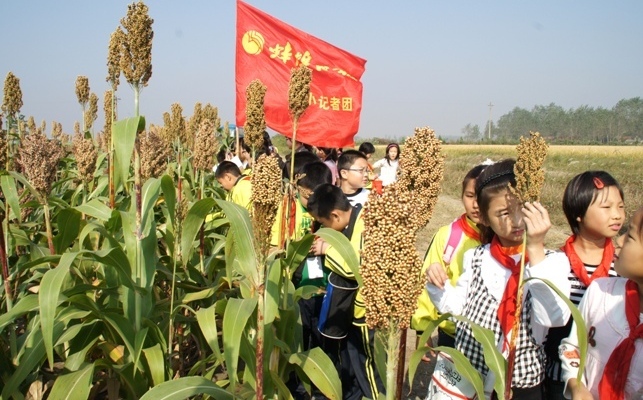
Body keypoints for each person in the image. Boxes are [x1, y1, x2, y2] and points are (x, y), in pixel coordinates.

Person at [426, 159, 571, 399]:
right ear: (484, 218)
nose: (517, 220)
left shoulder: (551, 262)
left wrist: (535, 247)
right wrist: (437, 284)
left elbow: (554, 317)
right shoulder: (476, 257)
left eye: (522, 208)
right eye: (504, 213)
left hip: (521, 385)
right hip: (471, 376)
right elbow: (457, 310)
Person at [543, 171, 625, 399]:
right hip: (559, 380)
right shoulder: (555, 264)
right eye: (606, 207)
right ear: (578, 213)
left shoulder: (623, 267)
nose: (617, 215)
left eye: (621, 206)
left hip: (609, 381)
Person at [308, 184, 384, 400]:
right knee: (355, 364)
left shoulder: (366, 224)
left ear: (335, 215)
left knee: (369, 368)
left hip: (367, 313)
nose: (324, 229)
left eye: (324, 224)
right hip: (356, 310)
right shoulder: (356, 217)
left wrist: (327, 250)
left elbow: (357, 268)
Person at [559, 205, 643, 400]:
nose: (619, 240)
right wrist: (576, 384)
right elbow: (572, 346)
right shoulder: (600, 292)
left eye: (630, 236)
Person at [412, 163, 487, 360]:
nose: (476, 204)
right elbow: (426, 284)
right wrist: (423, 330)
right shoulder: (448, 236)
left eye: (482, 197)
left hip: (492, 339)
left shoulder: (506, 240)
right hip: (452, 334)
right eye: (470, 196)